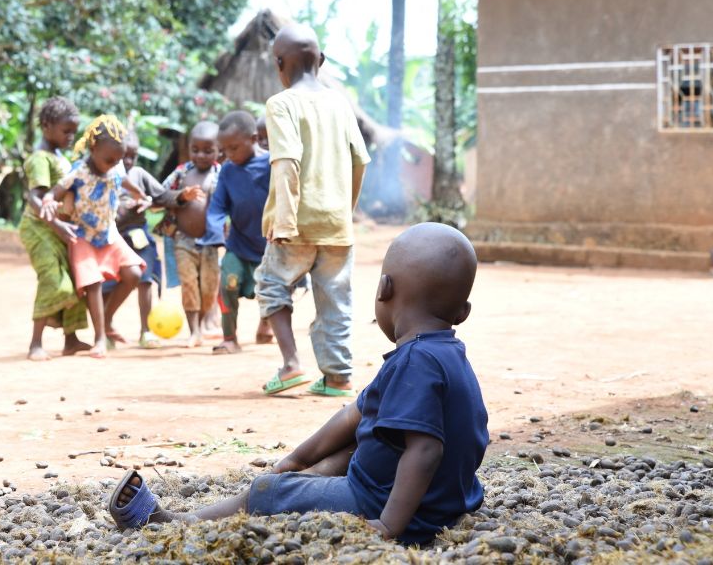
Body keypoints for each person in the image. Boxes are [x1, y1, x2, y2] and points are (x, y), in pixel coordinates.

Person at [107, 223, 488, 547]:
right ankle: (306, 479)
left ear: (384, 289)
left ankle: (177, 521)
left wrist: (389, 525)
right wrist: (295, 461)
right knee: (359, 439)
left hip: (393, 506)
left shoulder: (415, 362)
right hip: (446, 498)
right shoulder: (445, 355)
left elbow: (424, 452)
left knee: (268, 491)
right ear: (462, 313)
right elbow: (355, 413)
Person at [258, 24, 369, 398]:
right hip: (336, 223)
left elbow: (286, 163)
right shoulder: (340, 102)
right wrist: (345, 210)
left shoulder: (281, 104)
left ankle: (291, 365)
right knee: (335, 298)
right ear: (320, 61)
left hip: (297, 222)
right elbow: (359, 160)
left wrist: (284, 220)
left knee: (272, 284)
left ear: (279, 64)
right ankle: (338, 376)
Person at [40, 115, 147, 358]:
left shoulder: (114, 165)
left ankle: (107, 320)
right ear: (93, 148)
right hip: (83, 236)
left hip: (108, 233)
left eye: (117, 160)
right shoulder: (79, 172)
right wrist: (48, 200)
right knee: (93, 283)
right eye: (109, 159)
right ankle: (99, 338)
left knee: (134, 273)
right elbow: (56, 190)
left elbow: (123, 179)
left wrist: (138, 192)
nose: (113, 164)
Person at [19, 97, 93, 361]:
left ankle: (71, 340)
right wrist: (56, 223)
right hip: (39, 228)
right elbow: (35, 197)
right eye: (66, 131)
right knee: (54, 281)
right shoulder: (40, 158)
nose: (71, 136)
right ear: (46, 126)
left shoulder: (60, 156)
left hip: (60, 229)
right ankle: (35, 343)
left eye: (74, 131)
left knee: (76, 282)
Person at [206, 110, 274, 355]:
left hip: (270, 246)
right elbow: (217, 207)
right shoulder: (227, 170)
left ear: (254, 138)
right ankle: (230, 338)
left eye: (234, 148)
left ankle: (266, 323)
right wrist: (214, 234)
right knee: (228, 283)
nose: (228, 155)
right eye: (224, 150)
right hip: (239, 243)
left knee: (271, 291)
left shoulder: (272, 165)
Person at [157, 121, 222, 347]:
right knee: (189, 284)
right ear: (189, 148)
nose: (201, 155)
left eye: (208, 150)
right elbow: (162, 194)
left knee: (209, 286)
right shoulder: (181, 172)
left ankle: (204, 324)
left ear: (218, 150)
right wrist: (181, 197)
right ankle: (194, 331)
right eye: (196, 150)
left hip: (211, 242)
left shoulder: (220, 174)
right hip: (183, 239)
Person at [101, 130, 168, 348]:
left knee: (145, 278)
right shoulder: (105, 173)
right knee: (107, 285)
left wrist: (148, 202)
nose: (129, 161)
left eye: (133, 156)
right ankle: (106, 329)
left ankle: (146, 331)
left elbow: (161, 197)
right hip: (113, 238)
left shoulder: (139, 174)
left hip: (139, 235)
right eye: (124, 156)